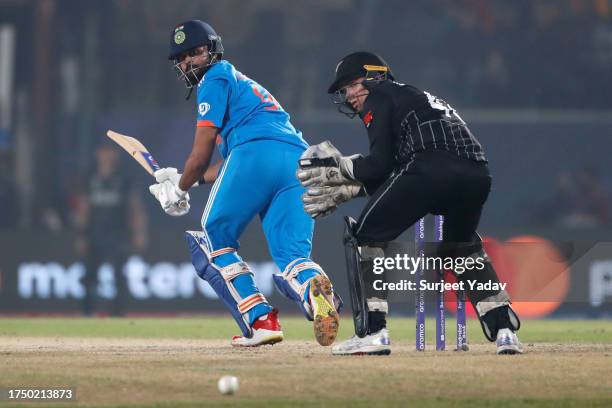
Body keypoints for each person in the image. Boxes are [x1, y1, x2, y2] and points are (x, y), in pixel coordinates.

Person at [297, 51, 522, 355]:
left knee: (365, 236)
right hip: (477, 173)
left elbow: (380, 165)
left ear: (375, 75)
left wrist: (340, 167)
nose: (349, 95)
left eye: (352, 85)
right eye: (344, 89)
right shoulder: (416, 96)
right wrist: (354, 189)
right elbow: (397, 169)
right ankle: (505, 330)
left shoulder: (378, 97)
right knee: (460, 247)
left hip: (430, 169)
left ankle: (372, 332)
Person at [148, 20, 341, 347]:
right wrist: (187, 182)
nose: (184, 64)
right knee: (292, 255)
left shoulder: (214, 77)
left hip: (254, 156)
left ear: (206, 51)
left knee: (212, 241)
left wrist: (178, 190)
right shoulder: (243, 84)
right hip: (297, 163)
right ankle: (313, 291)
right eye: (180, 59)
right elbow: (225, 165)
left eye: (189, 56)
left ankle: (261, 320)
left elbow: (201, 152)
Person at [74, 144, 148, 316]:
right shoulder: (90, 178)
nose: (107, 156)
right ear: (98, 153)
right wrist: (81, 234)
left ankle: (118, 313)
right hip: (94, 233)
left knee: (119, 275)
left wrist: (139, 232)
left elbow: (135, 206)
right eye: (104, 151)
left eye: (111, 152)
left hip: (118, 233)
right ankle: (87, 312)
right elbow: (83, 207)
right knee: (89, 275)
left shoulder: (124, 179)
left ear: (116, 155)